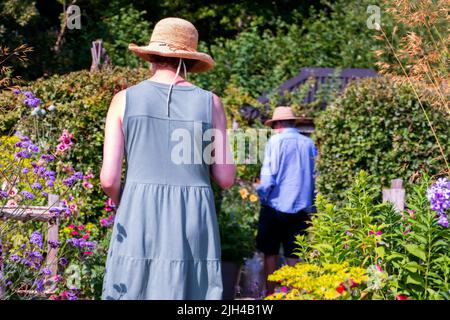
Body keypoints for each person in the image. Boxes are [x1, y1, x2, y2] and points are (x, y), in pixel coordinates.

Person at [100, 17, 236, 300]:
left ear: (151, 55)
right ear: (188, 59)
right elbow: (225, 178)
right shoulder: (211, 103)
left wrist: (124, 203)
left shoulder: (123, 99)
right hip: (193, 214)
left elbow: (109, 179)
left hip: (138, 210)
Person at [255, 106, 316, 296]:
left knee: (270, 252)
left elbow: (269, 177)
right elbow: (314, 176)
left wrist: (262, 195)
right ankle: (295, 296)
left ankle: (271, 295)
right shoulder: (308, 144)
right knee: (294, 255)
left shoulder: (275, 142)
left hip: (274, 206)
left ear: (278, 124)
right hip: (301, 208)